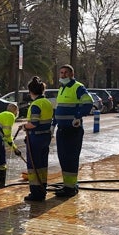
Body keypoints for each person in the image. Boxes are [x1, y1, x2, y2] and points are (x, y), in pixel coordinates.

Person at [52, 64, 93, 197]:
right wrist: (53, 124)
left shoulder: (78, 87)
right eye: (61, 73)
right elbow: (58, 108)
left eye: (65, 73)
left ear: (71, 74)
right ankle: (67, 185)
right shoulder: (61, 89)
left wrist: (78, 116)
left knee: (71, 158)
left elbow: (88, 103)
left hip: (73, 130)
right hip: (62, 129)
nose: (62, 75)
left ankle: (70, 188)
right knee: (63, 158)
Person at [21, 77, 53, 202]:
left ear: (31, 91)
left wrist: (24, 126)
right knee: (42, 165)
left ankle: (35, 193)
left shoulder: (35, 105)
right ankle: (42, 188)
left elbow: (33, 123)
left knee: (33, 166)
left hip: (36, 138)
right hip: (45, 137)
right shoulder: (47, 103)